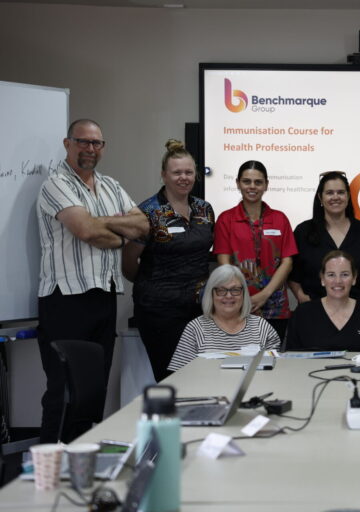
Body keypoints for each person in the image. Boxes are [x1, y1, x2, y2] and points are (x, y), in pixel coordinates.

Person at [36, 119, 149, 443]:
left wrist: (101, 226)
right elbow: (85, 231)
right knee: (64, 390)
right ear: (67, 143)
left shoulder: (111, 185)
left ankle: (83, 461)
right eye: (82, 142)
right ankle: (51, 470)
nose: (90, 149)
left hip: (104, 295)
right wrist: (116, 232)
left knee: (93, 389)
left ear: (103, 147)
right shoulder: (56, 184)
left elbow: (142, 225)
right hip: (65, 299)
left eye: (96, 143)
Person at [122, 139, 215, 382]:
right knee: (172, 378)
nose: (183, 177)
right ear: (164, 175)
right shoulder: (146, 213)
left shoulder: (204, 209)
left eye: (188, 172)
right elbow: (129, 265)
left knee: (201, 377)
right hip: (159, 312)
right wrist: (154, 284)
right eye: (176, 172)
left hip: (199, 309)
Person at [213, 160, 298, 340]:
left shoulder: (280, 218)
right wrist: (243, 299)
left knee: (272, 362)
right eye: (246, 181)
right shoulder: (225, 219)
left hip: (275, 307)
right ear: (237, 183)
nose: (252, 186)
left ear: (266, 185)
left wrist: (264, 295)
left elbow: (287, 262)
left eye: (258, 182)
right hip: (238, 305)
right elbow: (224, 263)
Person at [168, 265, 281, 372]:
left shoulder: (261, 327)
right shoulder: (195, 329)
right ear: (211, 294)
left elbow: (276, 371)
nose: (228, 296)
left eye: (235, 290)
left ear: (244, 294)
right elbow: (180, 376)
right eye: (221, 290)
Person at [289, 171, 360, 303]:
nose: (335, 197)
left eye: (341, 192)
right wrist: (300, 296)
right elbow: (292, 273)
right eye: (329, 193)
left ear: (348, 196)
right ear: (320, 197)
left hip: (359, 312)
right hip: (314, 311)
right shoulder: (303, 231)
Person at [286, 250, 360, 351]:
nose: (338, 281)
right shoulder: (303, 314)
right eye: (331, 275)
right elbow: (291, 357)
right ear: (322, 279)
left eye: (345, 274)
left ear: (354, 278)